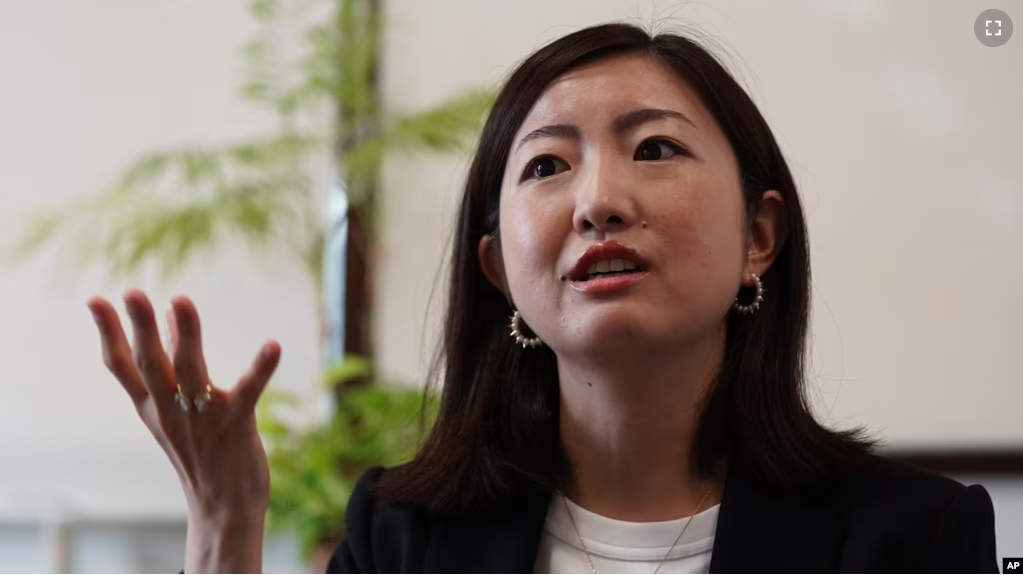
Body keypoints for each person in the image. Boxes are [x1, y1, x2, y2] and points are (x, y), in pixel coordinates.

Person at [86, 22, 998, 574]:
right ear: (497, 270)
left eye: (654, 148)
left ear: (760, 236)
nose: (598, 200)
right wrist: (223, 520)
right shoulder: (403, 534)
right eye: (547, 165)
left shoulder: (915, 536)